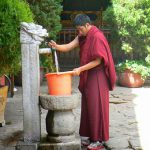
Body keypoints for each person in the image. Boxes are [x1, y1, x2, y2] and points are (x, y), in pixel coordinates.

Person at [48, 14, 116, 150]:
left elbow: (98, 60)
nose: (79, 33)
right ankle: (90, 137)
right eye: (77, 30)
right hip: (89, 75)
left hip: (98, 77)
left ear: (87, 25)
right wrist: (56, 46)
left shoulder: (97, 36)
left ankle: (98, 140)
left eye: (80, 29)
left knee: (97, 107)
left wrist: (80, 69)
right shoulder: (83, 36)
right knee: (88, 106)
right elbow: (68, 46)